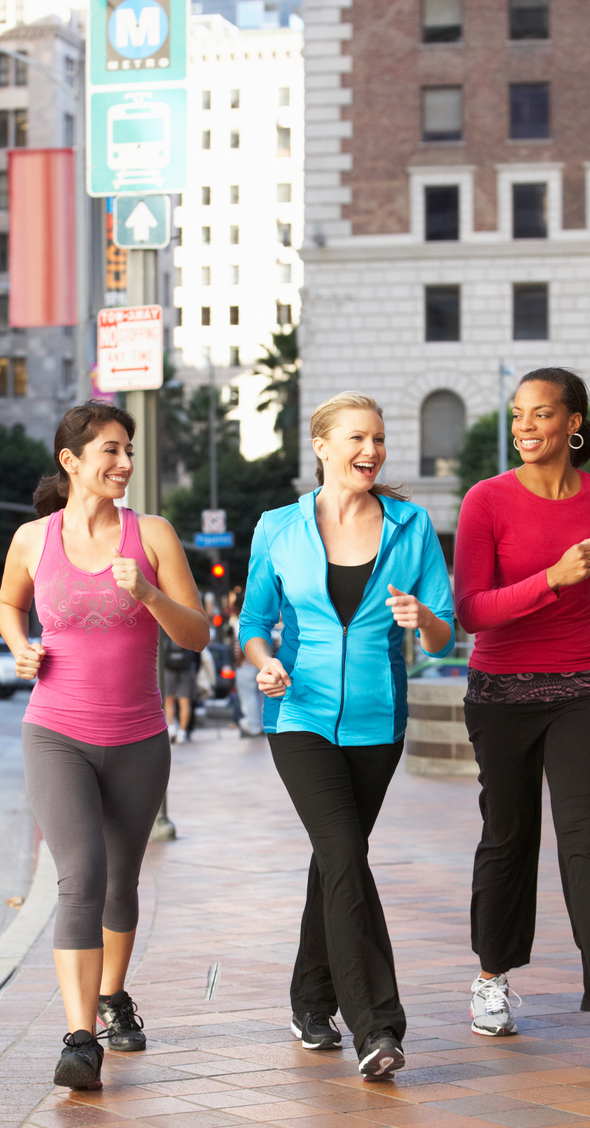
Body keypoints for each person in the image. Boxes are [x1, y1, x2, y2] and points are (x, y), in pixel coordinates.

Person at [454, 367, 590, 1064]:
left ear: (572, 423)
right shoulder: (486, 501)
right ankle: (492, 978)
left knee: (587, 834)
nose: (524, 427)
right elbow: (470, 609)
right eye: (518, 415)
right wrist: (549, 580)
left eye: (540, 415)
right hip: (502, 692)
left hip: (583, 685)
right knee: (509, 836)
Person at [239, 391, 454, 1079]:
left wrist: (421, 616)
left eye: (380, 439)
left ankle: (309, 1000)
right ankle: (378, 1027)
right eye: (358, 438)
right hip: (297, 715)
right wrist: (265, 662)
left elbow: (446, 633)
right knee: (342, 851)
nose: (372, 452)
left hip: (377, 721)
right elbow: (251, 624)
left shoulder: (410, 525)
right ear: (324, 446)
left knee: (338, 858)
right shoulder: (277, 526)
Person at [0, 402, 209, 1090]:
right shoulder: (34, 539)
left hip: (140, 737)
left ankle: (114, 997)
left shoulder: (152, 535)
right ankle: (81, 1037)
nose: (124, 464)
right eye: (111, 452)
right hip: (55, 732)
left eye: (129, 451)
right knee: (80, 876)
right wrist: (19, 647)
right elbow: (7, 602)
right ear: (72, 462)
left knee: (121, 882)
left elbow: (196, 635)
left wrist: (146, 591)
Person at [162, 633, 200, 744]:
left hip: (169, 668)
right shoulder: (187, 629)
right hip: (186, 669)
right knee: (185, 701)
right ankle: (182, 732)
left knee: (168, 699)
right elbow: (197, 655)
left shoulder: (165, 630)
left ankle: (172, 728)